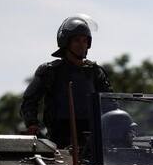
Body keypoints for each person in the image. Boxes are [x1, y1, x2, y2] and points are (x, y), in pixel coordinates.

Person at [21, 15, 113, 148]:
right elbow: (29, 102)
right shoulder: (50, 71)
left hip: (92, 142)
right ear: (66, 43)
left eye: (85, 41)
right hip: (58, 141)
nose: (82, 45)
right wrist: (32, 124)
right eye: (77, 40)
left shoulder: (95, 72)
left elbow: (110, 104)